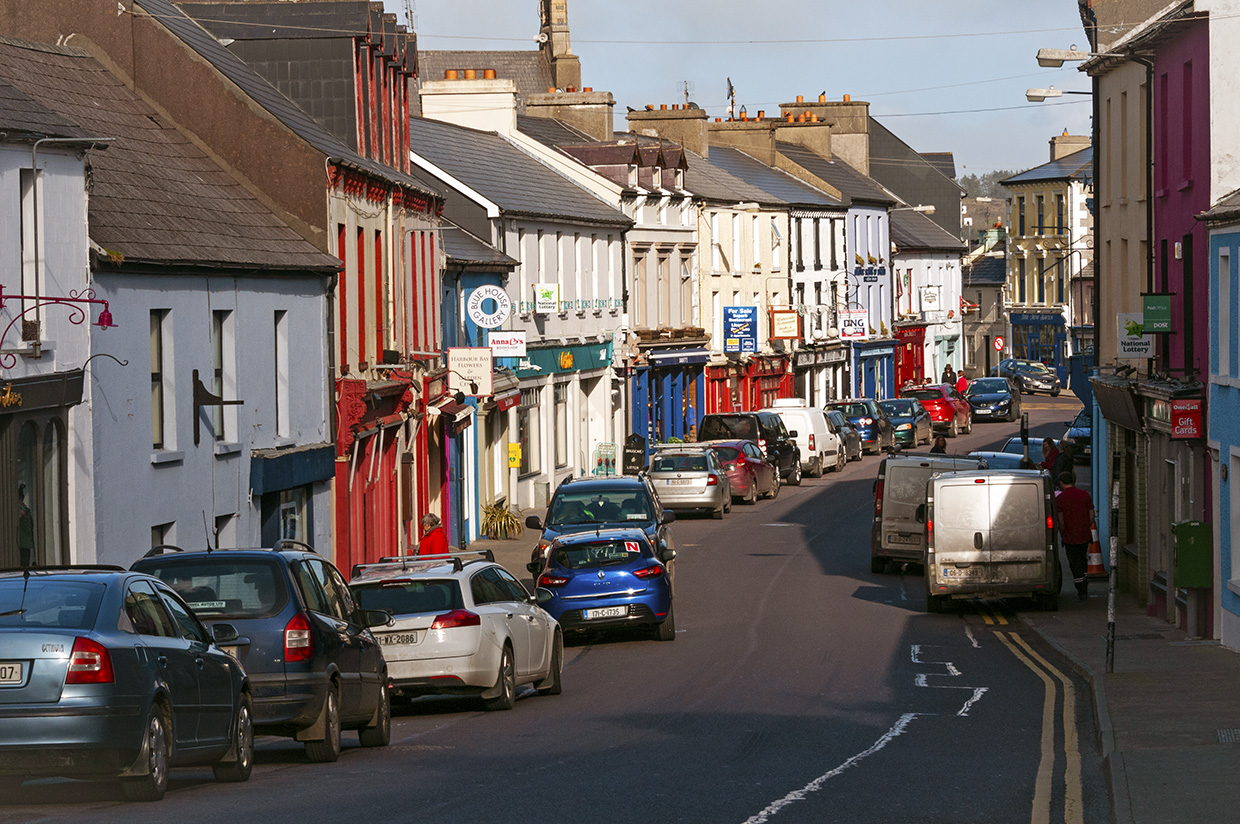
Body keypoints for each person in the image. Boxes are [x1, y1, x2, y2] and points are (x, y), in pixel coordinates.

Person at [1054, 472, 1096, 600]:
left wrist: (1062, 532)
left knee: (1074, 562)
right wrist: (1085, 526)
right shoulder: (1084, 495)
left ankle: (1081, 589)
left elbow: (1061, 521)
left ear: (1061, 483)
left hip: (1069, 536)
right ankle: (1084, 581)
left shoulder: (1060, 499)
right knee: (1083, 559)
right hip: (1084, 534)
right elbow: (1092, 515)